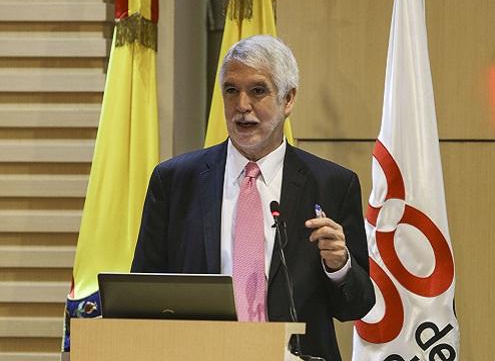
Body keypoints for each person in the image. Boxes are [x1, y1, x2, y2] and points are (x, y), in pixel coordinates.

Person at [131, 35, 375, 361]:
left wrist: (339, 265)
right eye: (231, 90)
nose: (242, 105)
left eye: (258, 91)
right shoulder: (175, 181)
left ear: (288, 99)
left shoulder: (332, 184)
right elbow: (140, 297)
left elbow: (356, 306)